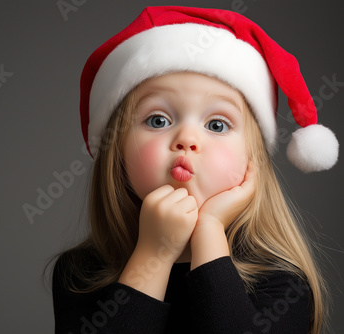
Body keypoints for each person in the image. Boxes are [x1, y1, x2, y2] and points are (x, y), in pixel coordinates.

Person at [50, 6, 339, 334]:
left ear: (252, 158)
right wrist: (153, 256)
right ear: (116, 151)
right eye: (158, 120)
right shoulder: (81, 274)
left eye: (217, 124)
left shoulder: (281, 282)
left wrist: (210, 231)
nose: (186, 139)